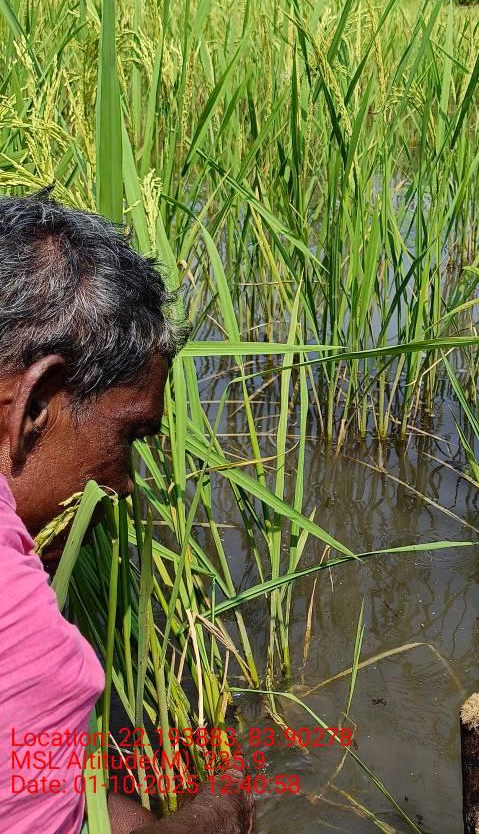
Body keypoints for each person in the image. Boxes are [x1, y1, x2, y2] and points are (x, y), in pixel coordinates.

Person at [0, 191, 254, 834]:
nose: (126, 488)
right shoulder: (22, 636)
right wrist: (220, 814)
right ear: (37, 405)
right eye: (130, 436)